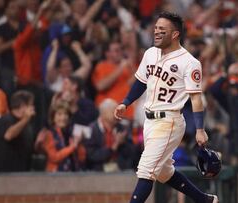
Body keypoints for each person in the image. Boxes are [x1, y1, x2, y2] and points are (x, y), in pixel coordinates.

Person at [114, 12, 218, 203]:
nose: (156, 32)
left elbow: (196, 99)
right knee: (163, 172)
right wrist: (125, 102)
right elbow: (140, 81)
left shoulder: (189, 62)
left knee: (145, 169)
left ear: (175, 34)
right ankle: (205, 200)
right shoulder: (150, 53)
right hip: (149, 121)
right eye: (155, 28)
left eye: (162, 30)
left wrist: (200, 129)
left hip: (169, 121)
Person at [84, 98, 134, 171]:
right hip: (97, 173)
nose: (117, 114)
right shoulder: (90, 129)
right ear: (103, 113)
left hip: (121, 171)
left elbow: (132, 153)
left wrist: (123, 143)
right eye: (113, 111)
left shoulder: (123, 129)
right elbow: (91, 155)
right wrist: (114, 146)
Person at [0, 90, 35, 172]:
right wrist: (25, 119)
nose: (33, 108)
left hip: (22, 173)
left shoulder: (26, 124)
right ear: (23, 106)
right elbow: (8, 135)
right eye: (31, 105)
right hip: (4, 174)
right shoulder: (5, 120)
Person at [37, 102, 83, 172]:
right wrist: (73, 146)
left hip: (72, 173)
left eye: (66, 114)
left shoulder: (71, 133)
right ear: (53, 117)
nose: (63, 117)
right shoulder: (48, 134)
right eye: (59, 114)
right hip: (55, 175)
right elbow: (54, 157)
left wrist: (79, 144)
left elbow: (81, 158)